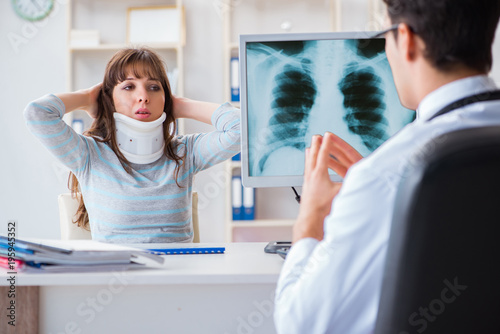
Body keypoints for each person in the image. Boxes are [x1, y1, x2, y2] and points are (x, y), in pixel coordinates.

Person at [273, 0, 500, 333]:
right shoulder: (388, 177)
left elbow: (299, 326)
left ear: (405, 39)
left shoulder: (383, 176)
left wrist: (310, 219)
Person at [24, 47, 240, 243]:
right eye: (129, 86)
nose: (143, 97)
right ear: (108, 99)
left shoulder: (185, 152)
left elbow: (242, 128)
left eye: (154, 87)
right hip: (114, 277)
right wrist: (87, 98)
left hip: (176, 280)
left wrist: (181, 106)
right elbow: (37, 113)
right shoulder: (89, 155)